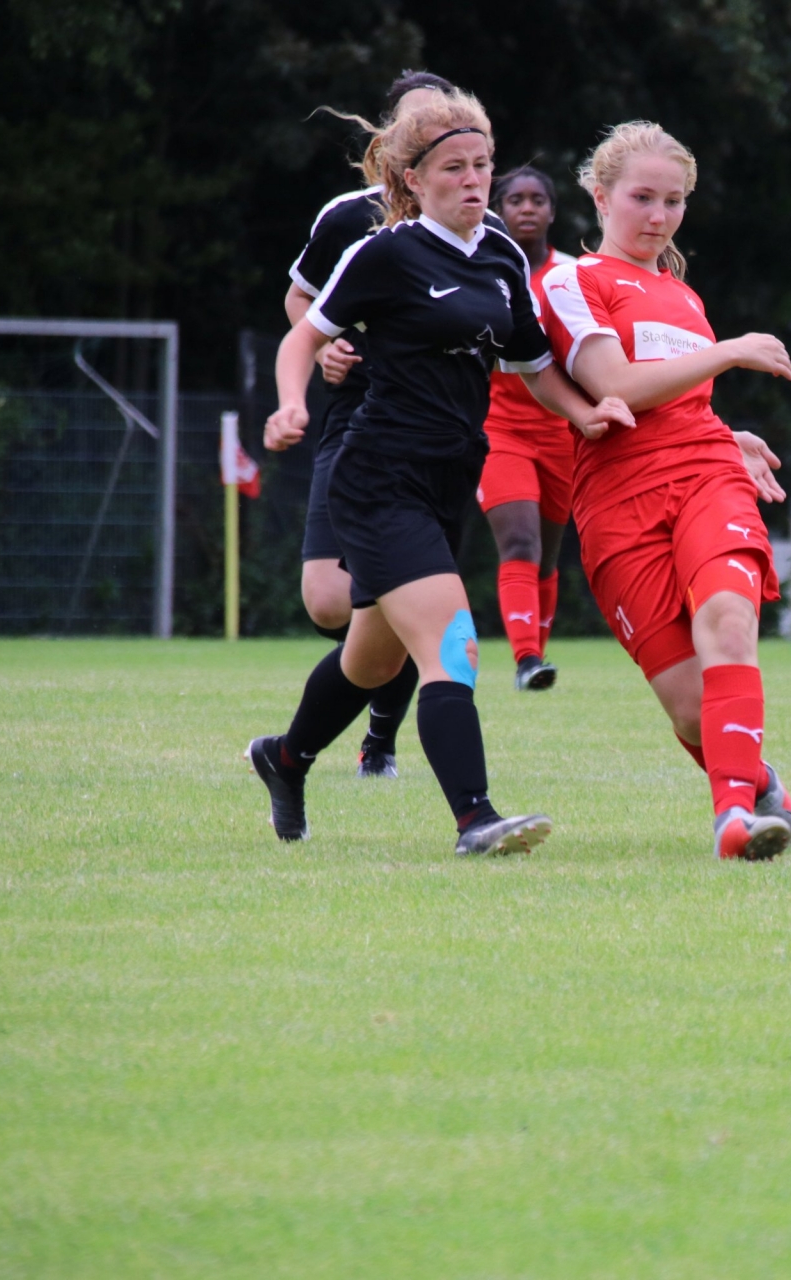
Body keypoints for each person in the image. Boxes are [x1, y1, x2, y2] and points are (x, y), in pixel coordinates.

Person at [249, 88, 631, 855]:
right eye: (454, 167)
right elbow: (301, 337)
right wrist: (291, 403)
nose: (474, 180)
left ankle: (284, 759)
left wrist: (585, 412)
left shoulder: (501, 257)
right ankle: (475, 819)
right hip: (378, 477)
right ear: (413, 179)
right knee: (452, 645)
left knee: (372, 659)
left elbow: (533, 364)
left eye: (482, 164)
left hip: (447, 482)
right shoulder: (385, 252)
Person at [537, 120, 791, 861]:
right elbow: (618, 387)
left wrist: (728, 434)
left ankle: (733, 821)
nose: (659, 216)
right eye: (643, 197)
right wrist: (729, 352)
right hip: (616, 502)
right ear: (601, 196)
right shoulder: (572, 281)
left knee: (729, 619)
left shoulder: (683, 297)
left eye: (674, 201)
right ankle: (767, 793)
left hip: (706, 476)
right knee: (693, 710)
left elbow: (681, 405)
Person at [281, 70, 455, 776]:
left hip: (434, 434)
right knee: (329, 601)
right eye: (416, 125)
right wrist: (325, 349)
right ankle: (311, 743)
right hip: (357, 419)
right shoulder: (348, 217)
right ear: (389, 140)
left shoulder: (481, 227)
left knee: (404, 598)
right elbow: (301, 302)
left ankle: (379, 741)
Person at [478, 165, 578, 690]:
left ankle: (536, 655)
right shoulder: (482, 268)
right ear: (498, 210)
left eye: (537, 199)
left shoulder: (573, 276)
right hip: (500, 429)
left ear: (552, 211)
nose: (527, 208)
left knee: (547, 555)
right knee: (519, 541)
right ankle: (527, 661)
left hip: (563, 432)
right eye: (515, 200)